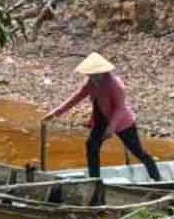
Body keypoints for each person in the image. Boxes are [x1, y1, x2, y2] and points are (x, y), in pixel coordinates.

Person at [42, 53, 162, 181]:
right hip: (100, 119)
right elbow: (77, 96)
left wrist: (111, 128)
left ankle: (157, 178)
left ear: (101, 71)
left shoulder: (114, 84)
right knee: (91, 146)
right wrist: (56, 112)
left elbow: (120, 108)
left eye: (94, 74)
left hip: (122, 122)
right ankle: (94, 179)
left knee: (138, 151)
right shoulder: (91, 82)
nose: (91, 76)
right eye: (90, 74)